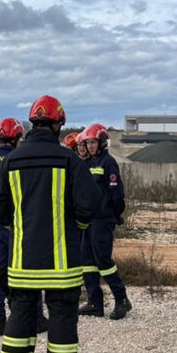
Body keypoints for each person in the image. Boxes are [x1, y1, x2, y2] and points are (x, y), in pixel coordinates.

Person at [0, 95, 101, 353]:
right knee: (63, 316)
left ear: (32, 125)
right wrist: (75, 228)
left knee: (21, 313)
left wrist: (19, 226)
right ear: (58, 124)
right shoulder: (70, 160)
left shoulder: (11, 160)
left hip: (22, 260)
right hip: (61, 261)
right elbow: (90, 205)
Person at [0, 118, 47, 336]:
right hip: (18, 226)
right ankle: (35, 318)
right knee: (27, 271)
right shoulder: (18, 160)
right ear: (17, 138)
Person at [77, 124, 133, 320]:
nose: (90, 146)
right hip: (89, 221)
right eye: (88, 142)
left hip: (103, 219)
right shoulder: (90, 163)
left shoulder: (108, 163)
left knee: (104, 261)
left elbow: (117, 193)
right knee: (87, 262)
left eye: (93, 142)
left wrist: (116, 214)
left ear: (101, 142)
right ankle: (95, 302)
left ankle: (122, 299)